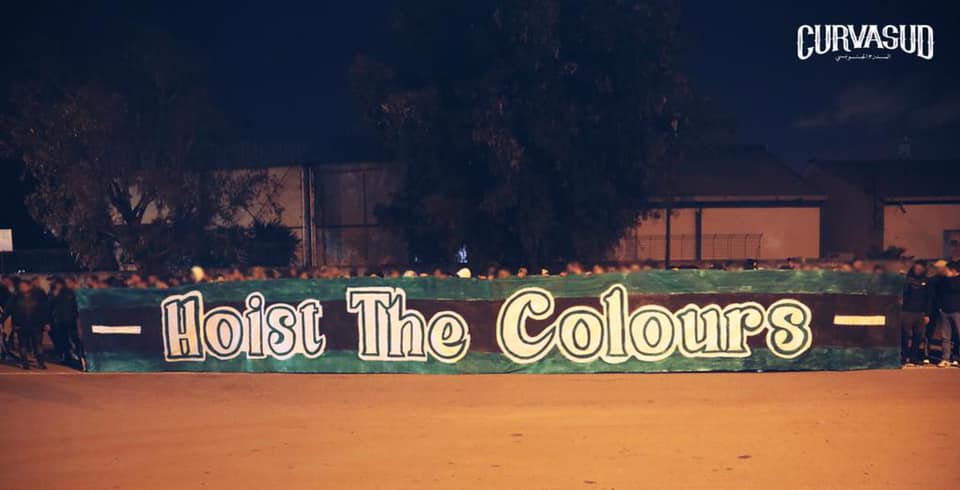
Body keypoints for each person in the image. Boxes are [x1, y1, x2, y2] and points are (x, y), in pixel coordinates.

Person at [0, 278, 51, 369]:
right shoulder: (15, 297)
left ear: (29, 286)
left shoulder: (38, 296)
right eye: (21, 286)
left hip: (36, 324)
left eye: (24, 286)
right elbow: (8, 309)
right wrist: (1, 320)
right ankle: (25, 363)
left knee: (38, 345)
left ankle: (40, 362)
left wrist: (46, 322)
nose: (22, 288)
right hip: (21, 325)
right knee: (22, 345)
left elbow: (44, 310)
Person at [901, 261, 932, 365]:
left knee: (918, 336)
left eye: (920, 268)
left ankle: (913, 357)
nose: (917, 270)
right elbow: (902, 294)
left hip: (920, 313)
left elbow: (929, 298)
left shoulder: (927, 281)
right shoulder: (907, 280)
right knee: (905, 336)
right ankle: (903, 357)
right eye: (916, 268)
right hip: (907, 312)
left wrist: (927, 314)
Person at [933, 261, 960, 367]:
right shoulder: (943, 280)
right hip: (945, 311)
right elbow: (939, 293)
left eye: (947, 269)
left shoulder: (956, 280)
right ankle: (945, 358)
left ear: (953, 270)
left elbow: (954, 287)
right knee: (945, 337)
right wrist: (940, 307)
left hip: (957, 311)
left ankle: (956, 357)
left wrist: (950, 278)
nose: (945, 272)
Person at [49, 278, 80, 364]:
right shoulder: (58, 294)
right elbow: (51, 306)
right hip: (61, 321)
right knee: (63, 340)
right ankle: (67, 356)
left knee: (75, 340)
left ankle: (78, 356)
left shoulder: (74, 294)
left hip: (72, 321)